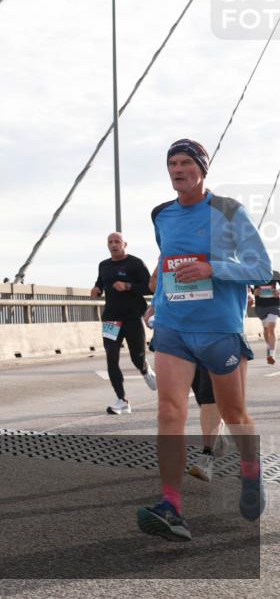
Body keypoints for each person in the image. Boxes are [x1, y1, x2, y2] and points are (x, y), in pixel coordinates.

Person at [137, 138, 272, 542]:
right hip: (174, 327)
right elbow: (167, 260)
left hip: (219, 329)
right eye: (172, 164)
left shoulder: (229, 211)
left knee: (234, 413)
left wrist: (213, 268)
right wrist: (156, 302)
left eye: (185, 163)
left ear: (202, 168)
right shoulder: (161, 214)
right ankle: (171, 506)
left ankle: (251, 471)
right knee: (169, 412)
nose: (177, 170)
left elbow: (260, 268)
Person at [145, 267, 228, 481]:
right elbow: (154, 284)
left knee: (208, 395)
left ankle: (207, 457)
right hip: (177, 331)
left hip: (213, 329)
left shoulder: (218, 251)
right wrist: (154, 305)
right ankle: (216, 433)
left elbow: (249, 272)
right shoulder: (169, 253)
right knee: (197, 395)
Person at [90, 232, 156, 414]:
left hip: (132, 318)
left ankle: (145, 369)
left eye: (117, 241)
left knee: (137, 358)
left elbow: (150, 288)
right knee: (111, 357)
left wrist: (127, 286)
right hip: (111, 318)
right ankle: (122, 400)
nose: (113, 245)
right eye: (110, 242)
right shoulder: (103, 265)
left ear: (124, 244)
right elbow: (100, 283)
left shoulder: (135, 263)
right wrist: (97, 289)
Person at [249, 270, 279, 365]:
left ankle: (272, 354)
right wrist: (255, 292)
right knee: (266, 330)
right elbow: (250, 290)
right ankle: (269, 347)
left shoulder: (275, 274)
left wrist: (278, 292)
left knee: (272, 328)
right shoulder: (256, 274)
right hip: (260, 306)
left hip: (274, 305)